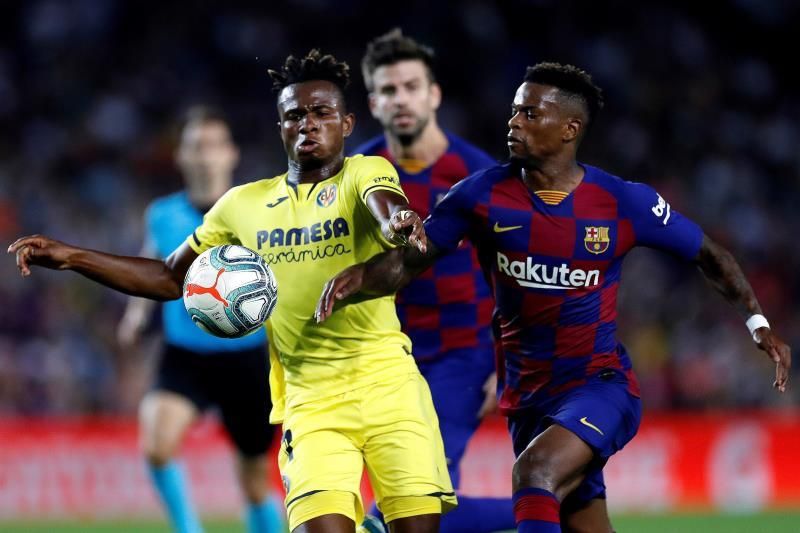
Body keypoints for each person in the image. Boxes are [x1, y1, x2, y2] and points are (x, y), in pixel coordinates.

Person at [315, 62, 792, 532]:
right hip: (527, 400)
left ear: (569, 129)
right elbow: (406, 264)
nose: (513, 122)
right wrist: (358, 279)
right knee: (577, 519)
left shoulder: (622, 201)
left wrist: (758, 323)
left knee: (534, 471)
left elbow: (710, 255)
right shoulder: (478, 196)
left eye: (530, 113)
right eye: (514, 111)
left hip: (600, 385)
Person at [9, 49, 456, 533]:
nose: (307, 124)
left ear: (346, 124)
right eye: (294, 115)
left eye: (321, 112)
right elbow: (168, 278)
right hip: (310, 403)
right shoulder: (242, 205)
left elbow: (386, 206)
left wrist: (398, 220)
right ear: (280, 127)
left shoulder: (364, 173)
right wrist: (73, 257)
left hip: (389, 387)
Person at [353, 29, 514, 533]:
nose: (401, 99)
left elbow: (515, 272)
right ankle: (553, 508)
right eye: (388, 90)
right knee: (428, 507)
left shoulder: (477, 174)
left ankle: (550, 508)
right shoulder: (359, 176)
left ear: (434, 94)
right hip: (386, 357)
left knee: (412, 497)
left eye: (411, 87)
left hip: (461, 356)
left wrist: (506, 360)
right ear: (373, 103)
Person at [115, 106, 284, 533]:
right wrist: (137, 314)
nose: (205, 155)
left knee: (254, 484)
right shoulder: (161, 214)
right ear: (181, 156)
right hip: (185, 355)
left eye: (213, 145)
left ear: (231, 153)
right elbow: (155, 261)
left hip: (247, 358)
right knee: (156, 444)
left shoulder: (259, 210)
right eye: (195, 146)